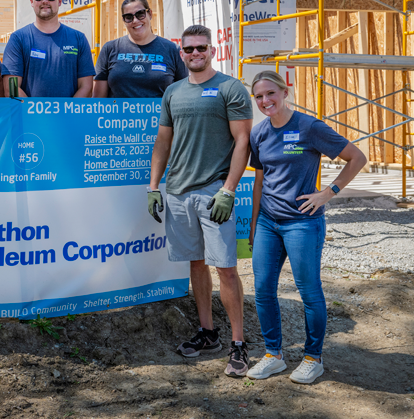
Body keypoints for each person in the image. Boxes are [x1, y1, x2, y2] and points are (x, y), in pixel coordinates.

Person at [244, 70, 366, 384]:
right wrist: (255, 223)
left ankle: (313, 358)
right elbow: (259, 181)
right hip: (269, 223)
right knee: (262, 291)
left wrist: (328, 193)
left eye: (270, 93)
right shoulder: (258, 133)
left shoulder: (308, 127)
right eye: (259, 96)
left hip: (302, 223)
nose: (265, 101)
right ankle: (273, 355)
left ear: (285, 92)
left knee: (309, 292)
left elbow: (356, 157)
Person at [148, 24, 253, 377]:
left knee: (226, 267)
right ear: (182, 53)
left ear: (211, 51)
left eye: (201, 48)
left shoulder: (230, 87)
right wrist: (153, 186)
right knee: (195, 264)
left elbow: (243, 143)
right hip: (178, 192)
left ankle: (239, 343)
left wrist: (228, 190)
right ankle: (208, 333)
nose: (195, 54)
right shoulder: (173, 92)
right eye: (189, 49)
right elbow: (163, 143)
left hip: (213, 192)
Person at [2, 0, 93, 98]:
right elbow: (11, 89)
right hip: (30, 116)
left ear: (59, 1)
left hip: (68, 116)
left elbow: (86, 87)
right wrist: (36, 115)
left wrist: (67, 114)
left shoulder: (78, 39)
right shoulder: (18, 39)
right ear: (31, 1)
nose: (45, 1)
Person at [93, 0, 187, 98]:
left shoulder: (173, 50)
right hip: (118, 114)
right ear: (124, 21)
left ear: (150, 14)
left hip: (159, 114)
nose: (135, 20)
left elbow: (183, 96)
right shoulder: (110, 49)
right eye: (128, 17)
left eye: (140, 14)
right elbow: (98, 101)